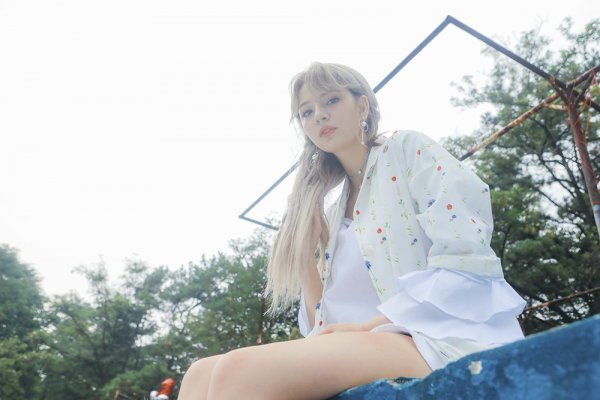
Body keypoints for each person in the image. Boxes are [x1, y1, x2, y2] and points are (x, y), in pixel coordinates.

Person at [177, 62, 526, 400]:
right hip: (373, 346)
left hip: (439, 336)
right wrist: (304, 259)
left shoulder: (407, 150)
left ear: (362, 106)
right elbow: (325, 327)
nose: (319, 115)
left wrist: (367, 327)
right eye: (306, 112)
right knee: (200, 373)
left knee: (239, 370)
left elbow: (465, 257)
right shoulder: (333, 211)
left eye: (331, 100)